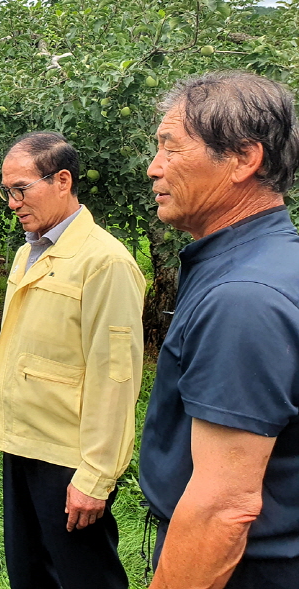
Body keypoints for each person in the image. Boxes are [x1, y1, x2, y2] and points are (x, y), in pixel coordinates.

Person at [139, 71, 299, 589]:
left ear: (243, 159)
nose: (153, 168)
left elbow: (223, 508)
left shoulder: (243, 297)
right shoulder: (268, 262)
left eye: (170, 148)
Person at [0, 132, 145, 589]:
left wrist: (95, 476)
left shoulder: (104, 262)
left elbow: (116, 377)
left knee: (84, 576)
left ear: (62, 180)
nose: (12, 203)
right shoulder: (28, 251)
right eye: (7, 191)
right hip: (23, 441)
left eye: (21, 189)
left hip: (67, 455)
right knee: (29, 569)